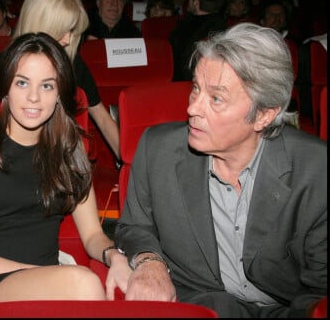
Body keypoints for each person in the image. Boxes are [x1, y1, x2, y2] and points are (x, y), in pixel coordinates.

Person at [115, 23, 327, 317]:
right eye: (195, 89)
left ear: (264, 115)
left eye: (216, 98)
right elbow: (134, 225)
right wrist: (150, 261)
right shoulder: (158, 149)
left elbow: (320, 289)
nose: (192, 109)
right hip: (204, 305)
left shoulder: (316, 171)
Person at [0, 32, 128, 307]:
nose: (34, 97)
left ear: (59, 92)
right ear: (6, 88)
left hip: (47, 287)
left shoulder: (70, 150)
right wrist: (42, 275)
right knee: (82, 283)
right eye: (22, 83)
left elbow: (93, 235)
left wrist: (114, 256)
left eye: (47, 86)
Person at [0, 0, 120, 160]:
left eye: (72, 30)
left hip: (62, 156)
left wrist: (135, 167)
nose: (67, 39)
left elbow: (103, 119)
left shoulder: (72, 62)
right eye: (62, 30)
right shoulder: (4, 66)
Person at [169, 0, 227, 81]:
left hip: (184, 87)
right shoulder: (225, 29)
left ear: (196, 2)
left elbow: (174, 66)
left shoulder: (183, 29)